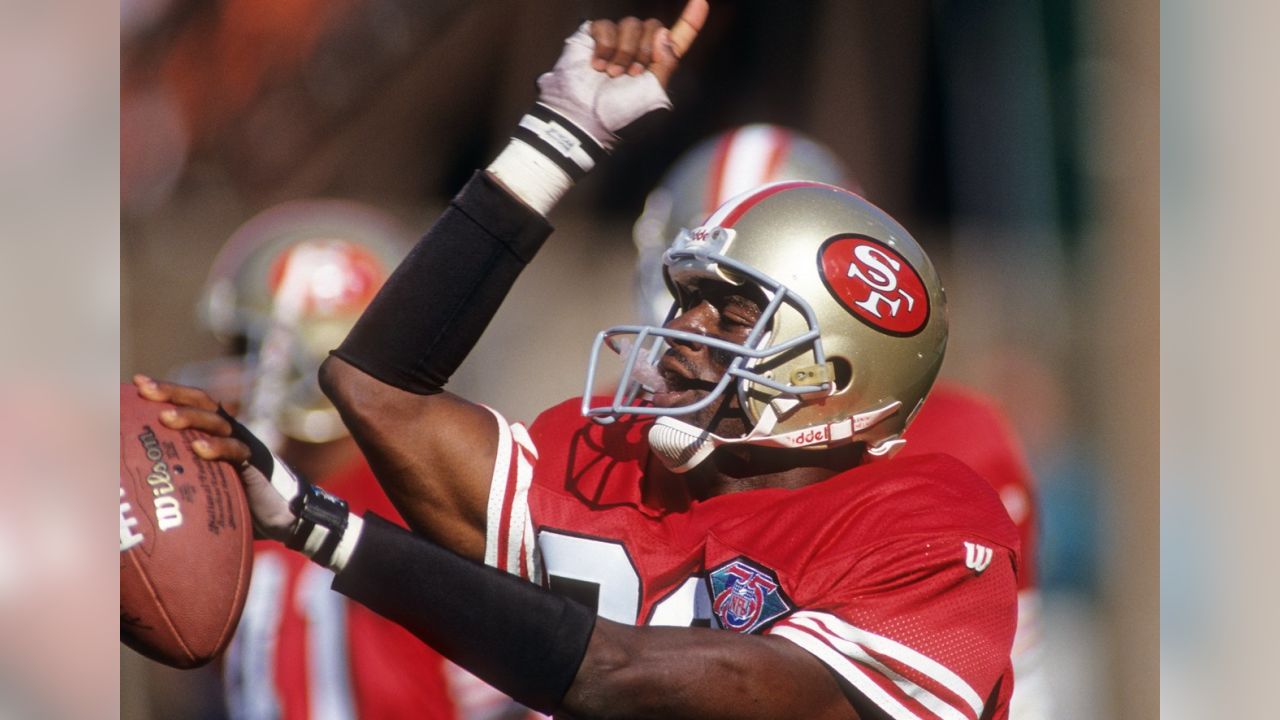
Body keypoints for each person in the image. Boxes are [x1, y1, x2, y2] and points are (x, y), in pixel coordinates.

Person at [138, 4, 1021, 718]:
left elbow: (622, 676)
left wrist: (330, 533)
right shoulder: (606, 460)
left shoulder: (931, 528)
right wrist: (558, 135)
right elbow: (376, 391)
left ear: (832, 375)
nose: (684, 329)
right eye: (687, 297)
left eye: (733, 311)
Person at [634, 123, 1050, 719]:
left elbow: (1014, 675)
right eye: (693, 279)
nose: (694, 320)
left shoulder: (957, 452)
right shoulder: (617, 433)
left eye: (737, 294)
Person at [180, 200, 516, 720]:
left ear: (320, 356)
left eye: (248, 349)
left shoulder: (428, 515)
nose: (228, 378)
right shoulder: (250, 517)